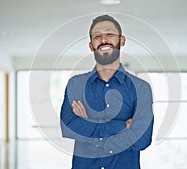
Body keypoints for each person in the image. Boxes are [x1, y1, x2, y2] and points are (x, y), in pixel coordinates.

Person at [60, 15, 154, 169]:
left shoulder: (141, 88)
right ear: (91, 46)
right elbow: (69, 127)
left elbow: (142, 139)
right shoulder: (76, 84)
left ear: (122, 41)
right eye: (97, 36)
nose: (103, 39)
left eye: (110, 34)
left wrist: (89, 127)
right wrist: (124, 126)